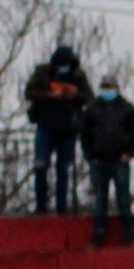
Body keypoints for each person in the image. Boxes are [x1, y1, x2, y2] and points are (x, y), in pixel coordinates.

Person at [25, 44, 90, 215]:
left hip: (68, 128)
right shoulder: (43, 72)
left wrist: (75, 94)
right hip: (45, 125)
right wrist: (50, 95)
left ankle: (62, 209)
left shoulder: (77, 75)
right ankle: (41, 208)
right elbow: (29, 92)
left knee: (64, 170)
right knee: (40, 166)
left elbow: (89, 97)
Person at [79, 73, 134, 248]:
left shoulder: (126, 108)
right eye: (105, 87)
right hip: (99, 161)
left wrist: (130, 152)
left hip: (119, 160)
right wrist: (90, 155)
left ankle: (129, 236)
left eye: (110, 87)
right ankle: (97, 236)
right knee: (100, 200)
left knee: (124, 199)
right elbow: (84, 134)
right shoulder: (92, 109)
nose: (107, 91)